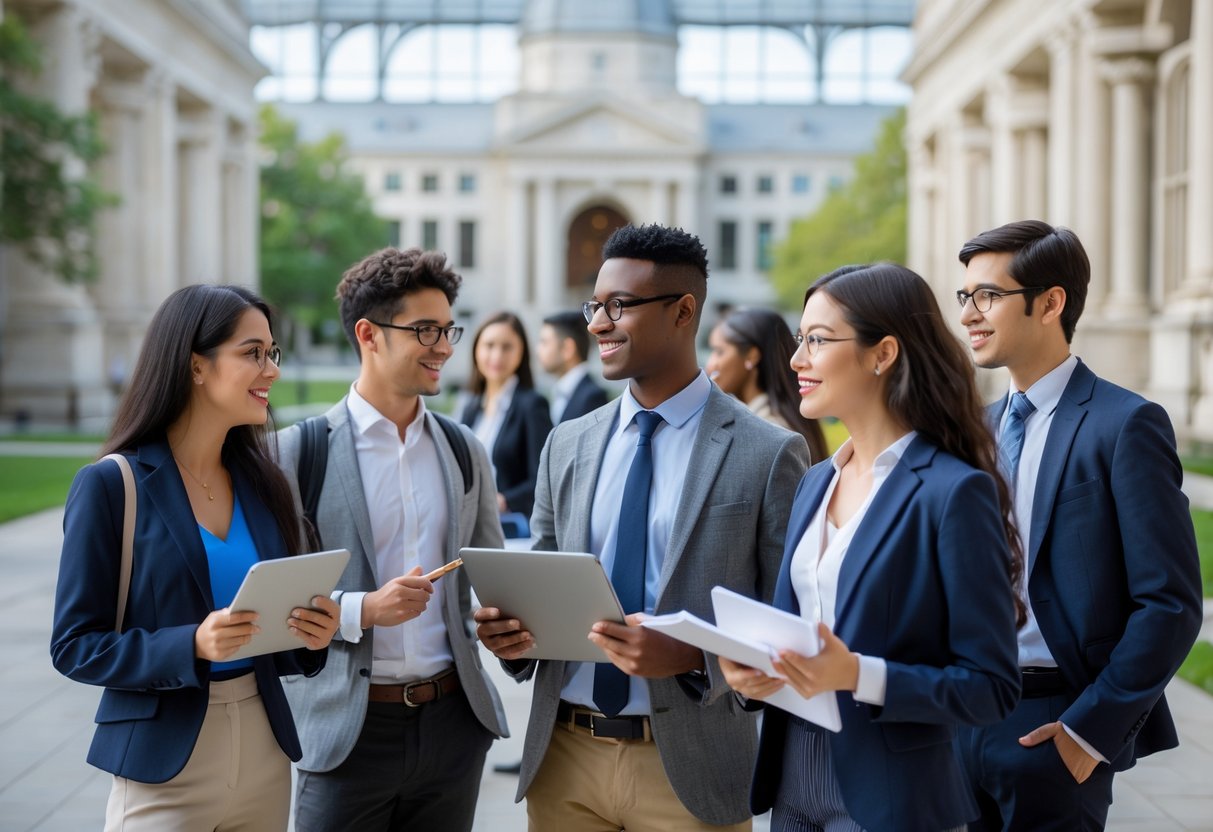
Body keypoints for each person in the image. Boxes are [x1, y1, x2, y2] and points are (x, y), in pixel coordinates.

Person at [475, 223, 811, 831]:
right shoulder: (566, 444)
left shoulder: (769, 452)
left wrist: (689, 657)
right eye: (594, 306)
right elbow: (545, 581)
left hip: (692, 770)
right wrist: (513, 635)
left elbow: (787, 623)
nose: (598, 323)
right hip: (564, 761)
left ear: (684, 312)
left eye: (619, 306)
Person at [721, 263, 1024, 832]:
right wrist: (757, 675)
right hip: (792, 782)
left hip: (893, 798)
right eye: (797, 339)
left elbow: (991, 688)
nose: (796, 360)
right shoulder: (816, 481)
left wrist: (859, 673)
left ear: (882, 353)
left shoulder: (953, 492)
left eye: (816, 340)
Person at [50, 284, 340, 831]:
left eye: (272, 353)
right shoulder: (111, 485)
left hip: (264, 753)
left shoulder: (265, 484)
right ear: (196, 366)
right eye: (252, 352)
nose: (271, 370)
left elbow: (275, 641)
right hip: (163, 765)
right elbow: (73, 645)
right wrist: (192, 644)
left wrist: (310, 636)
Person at [953, 221, 1203, 831]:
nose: (969, 316)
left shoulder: (1125, 424)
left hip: (1055, 724)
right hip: (960, 721)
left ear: (1051, 302)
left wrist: (1086, 736)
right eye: (965, 297)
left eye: (987, 296)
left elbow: (1169, 603)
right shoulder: (971, 430)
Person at [275, 247, 510, 832]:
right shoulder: (299, 453)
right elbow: (270, 606)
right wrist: (364, 610)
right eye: (425, 330)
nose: (446, 347)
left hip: (454, 727)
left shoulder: (464, 450)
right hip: (346, 733)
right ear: (368, 335)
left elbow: (494, 576)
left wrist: (513, 625)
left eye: (448, 329)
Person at [459, 311, 554, 520]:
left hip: (512, 527)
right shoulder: (471, 408)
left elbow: (544, 479)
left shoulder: (532, 405)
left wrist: (504, 501)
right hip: (471, 523)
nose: (497, 356)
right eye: (489, 345)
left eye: (507, 347)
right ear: (476, 348)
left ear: (522, 352)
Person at [706, 306, 829, 463]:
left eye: (719, 352)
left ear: (752, 356)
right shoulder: (775, 420)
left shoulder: (769, 431)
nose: (710, 365)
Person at [537, 309, 611, 423]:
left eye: (544, 342)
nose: (537, 350)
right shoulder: (561, 393)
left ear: (568, 348)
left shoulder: (592, 398)